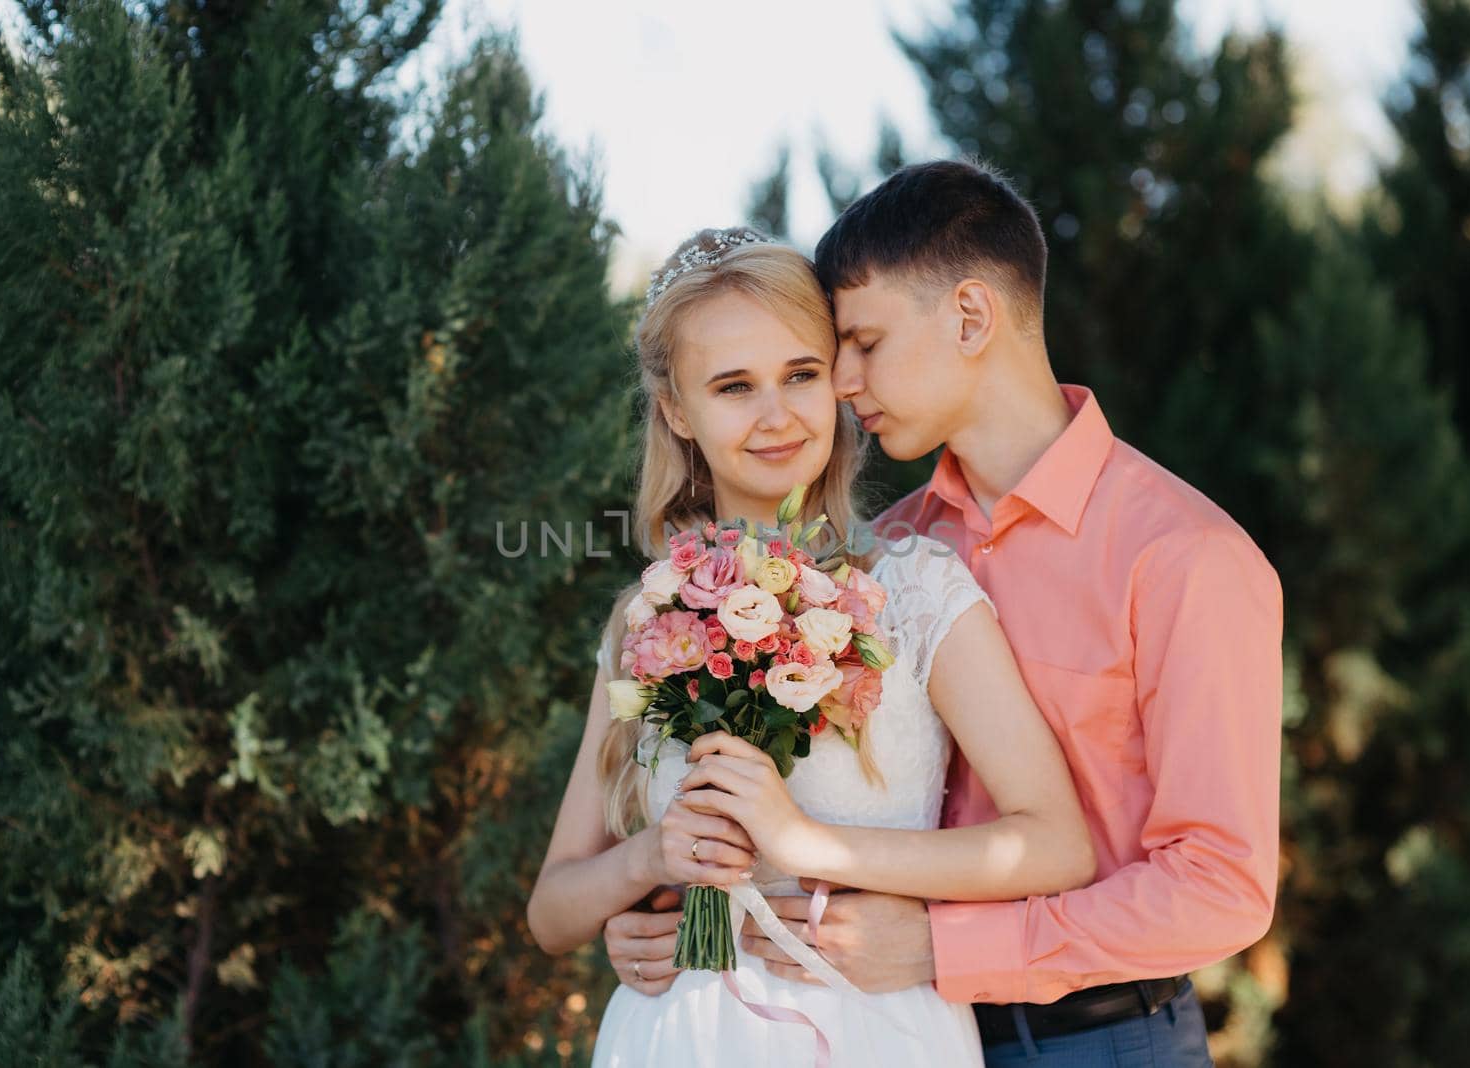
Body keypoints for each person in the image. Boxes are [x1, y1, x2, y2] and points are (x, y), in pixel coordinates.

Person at [604, 161, 1286, 1066]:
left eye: (866, 343)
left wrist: (944, 948)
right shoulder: (878, 561)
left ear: (970, 317)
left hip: (1095, 1037)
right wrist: (655, 917)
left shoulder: (1186, 558)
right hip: (889, 1026)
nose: (841, 382)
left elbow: (1222, 888)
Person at [527, 227, 1098, 1067]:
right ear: (678, 410)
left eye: (800, 374)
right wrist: (647, 861)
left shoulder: (915, 588)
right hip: (677, 1035)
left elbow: (1057, 844)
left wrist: (804, 845)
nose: (776, 415)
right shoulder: (648, 618)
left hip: (875, 1030)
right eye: (733, 386)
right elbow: (551, 910)